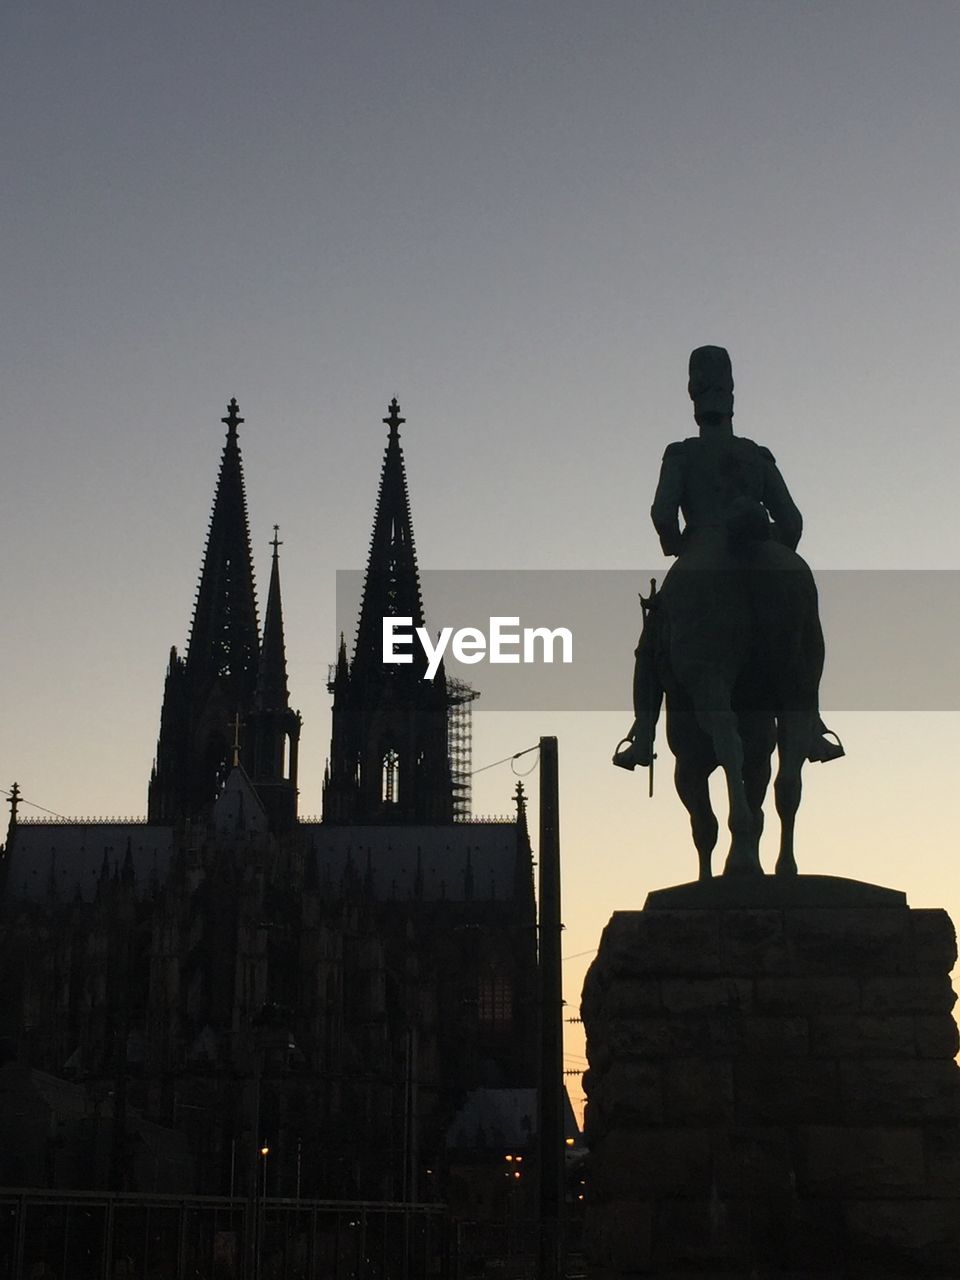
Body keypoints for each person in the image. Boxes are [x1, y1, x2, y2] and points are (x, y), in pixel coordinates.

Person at [614, 345, 844, 770]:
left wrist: (680, 545)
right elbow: (792, 521)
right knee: (805, 640)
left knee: (650, 647)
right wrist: (770, 545)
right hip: (760, 549)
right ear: (732, 397)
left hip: (700, 550)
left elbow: (661, 514)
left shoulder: (681, 454)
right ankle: (811, 725)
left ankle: (642, 737)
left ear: (693, 399)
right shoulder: (757, 456)